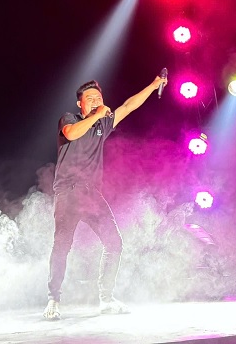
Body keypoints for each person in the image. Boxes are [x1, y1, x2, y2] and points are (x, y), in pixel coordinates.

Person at [43, 75, 167, 320]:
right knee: (62, 246)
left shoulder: (103, 124)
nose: (96, 101)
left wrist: (153, 86)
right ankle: (53, 300)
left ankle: (106, 299)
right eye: (90, 98)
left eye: (98, 98)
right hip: (68, 192)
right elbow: (72, 134)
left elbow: (128, 106)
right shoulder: (69, 119)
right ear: (80, 104)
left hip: (91, 194)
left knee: (114, 243)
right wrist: (97, 115)